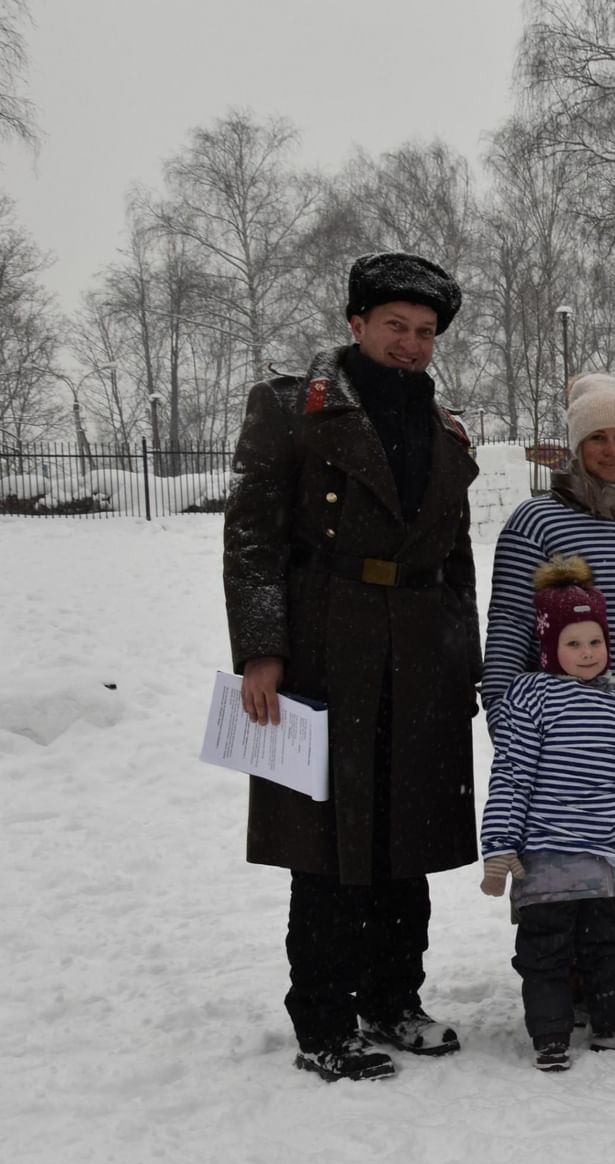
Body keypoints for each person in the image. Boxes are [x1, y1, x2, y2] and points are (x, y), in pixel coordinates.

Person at [222, 250, 479, 1082]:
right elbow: (253, 539)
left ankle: (395, 999)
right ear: (357, 324)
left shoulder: (447, 433)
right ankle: (325, 1020)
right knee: (330, 844)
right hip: (325, 649)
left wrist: (465, 660)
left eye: (425, 332)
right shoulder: (292, 409)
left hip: (421, 650)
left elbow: (459, 558)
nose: (410, 344)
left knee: (407, 838)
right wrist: (262, 653)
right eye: (395, 326)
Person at [478, 556, 615, 1069]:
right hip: (545, 859)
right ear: (549, 647)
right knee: (544, 954)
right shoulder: (531, 697)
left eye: (595, 642)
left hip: (610, 860)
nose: (587, 654)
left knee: (607, 947)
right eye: (572, 643)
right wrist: (498, 847)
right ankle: (550, 1034)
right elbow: (512, 776)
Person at [482, 372, 615, 719]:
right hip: (561, 712)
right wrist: (501, 707)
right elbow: (511, 621)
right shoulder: (537, 521)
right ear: (578, 446)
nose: (611, 450)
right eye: (597, 437)